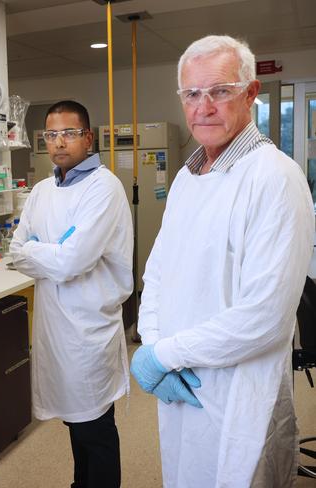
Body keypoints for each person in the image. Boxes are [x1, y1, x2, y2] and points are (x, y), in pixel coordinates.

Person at [130, 35, 314, 487]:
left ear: (250, 94)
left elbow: (265, 317)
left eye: (220, 90)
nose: (203, 106)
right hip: (179, 384)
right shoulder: (186, 179)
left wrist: (163, 354)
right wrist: (151, 345)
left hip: (239, 396)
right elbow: (157, 271)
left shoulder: (274, 177)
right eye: (191, 93)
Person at [10, 100, 133, 488]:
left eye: (69, 133)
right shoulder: (43, 190)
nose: (59, 142)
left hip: (88, 328)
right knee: (74, 426)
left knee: (94, 428)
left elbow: (70, 262)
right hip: (54, 326)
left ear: (88, 138)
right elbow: (16, 250)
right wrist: (48, 252)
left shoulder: (104, 188)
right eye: (51, 134)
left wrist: (39, 251)